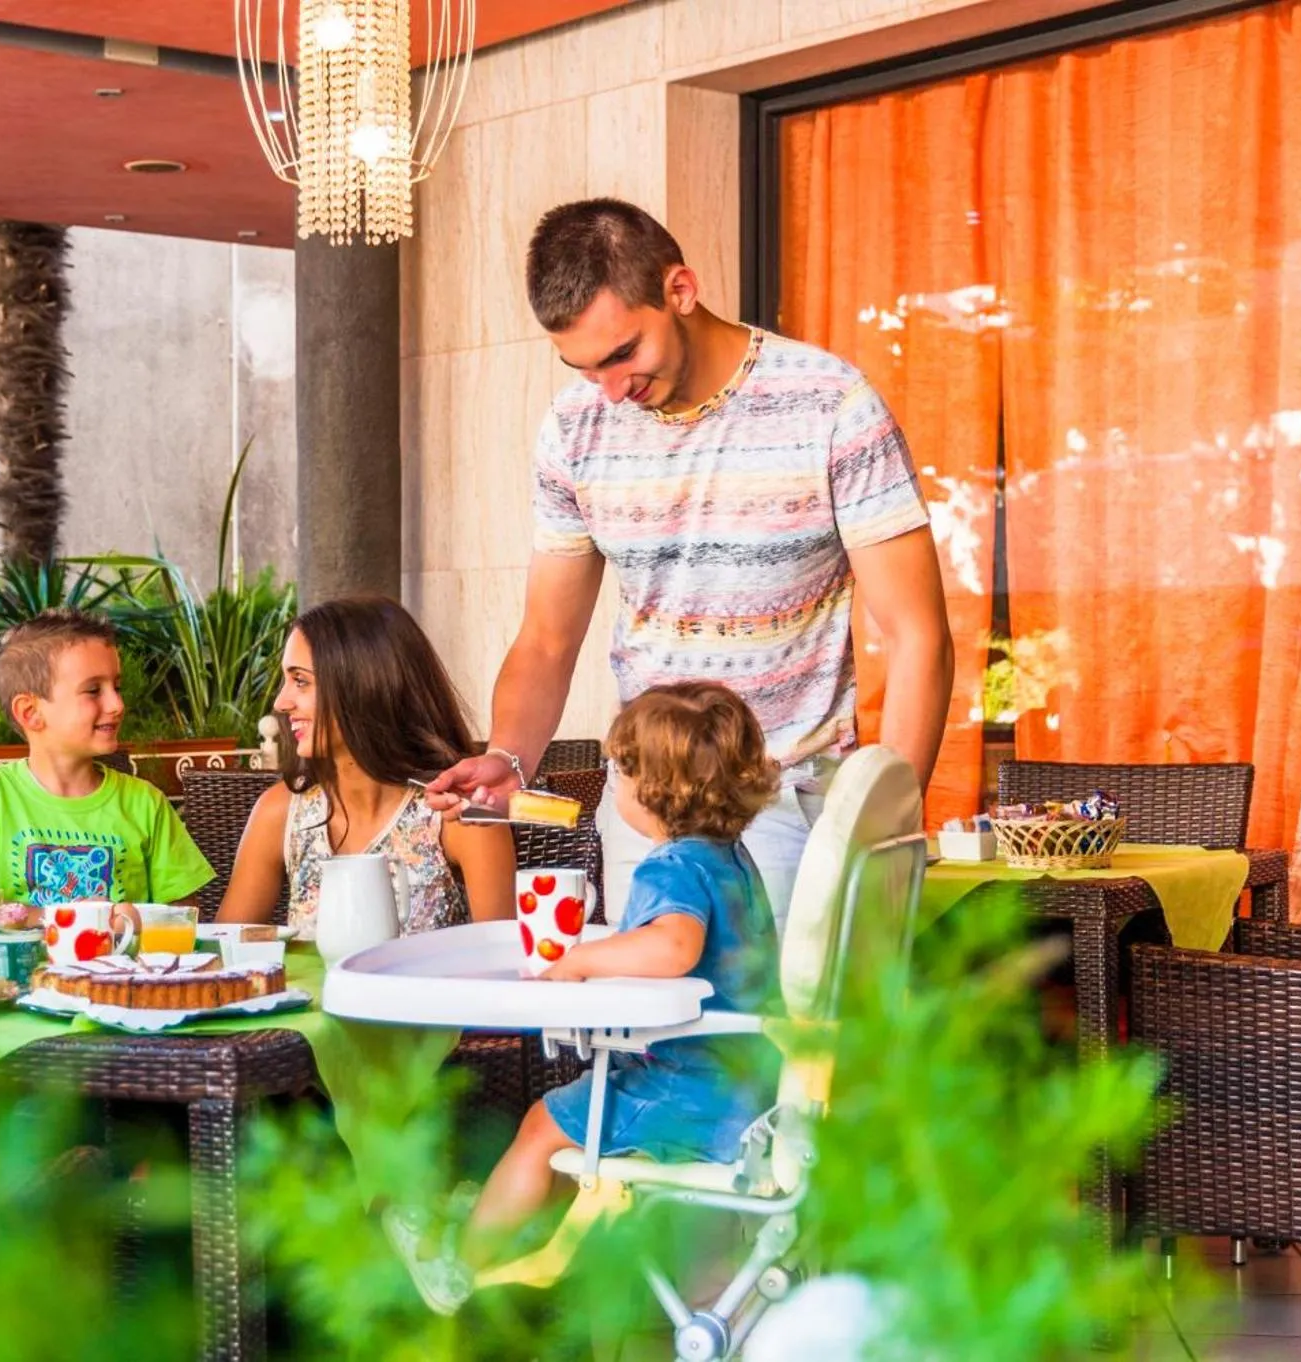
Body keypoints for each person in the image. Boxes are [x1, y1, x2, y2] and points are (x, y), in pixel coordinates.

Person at [428, 198, 953, 927]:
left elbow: (917, 635)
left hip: (788, 806)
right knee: (644, 1038)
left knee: (778, 1039)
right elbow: (547, 638)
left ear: (680, 291)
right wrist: (510, 758)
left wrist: (882, 831)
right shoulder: (574, 429)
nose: (610, 390)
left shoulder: (830, 404)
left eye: (621, 354)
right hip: (644, 808)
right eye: (583, 368)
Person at [389, 682, 782, 1314]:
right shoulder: (730, 860)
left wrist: (579, 960)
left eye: (619, 772)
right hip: (745, 1084)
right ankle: (713, 1312)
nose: (614, 785)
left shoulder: (672, 866)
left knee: (544, 1125)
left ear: (655, 789)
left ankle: (459, 1264)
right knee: (579, 1150)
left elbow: (673, 947)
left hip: (687, 1090)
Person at [216, 596, 515, 937]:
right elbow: (226, 959)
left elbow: (503, 965)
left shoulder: (457, 814)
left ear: (363, 685)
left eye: (301, 681)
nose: (281, 702)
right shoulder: (280, 814)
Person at [0, 608, 213, 910]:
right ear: (31, 713)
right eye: (93, 690)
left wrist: (134, 923)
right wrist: (65, 921)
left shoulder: (146, 805)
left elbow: (183, 918)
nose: (117, 704)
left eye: (117, 687)